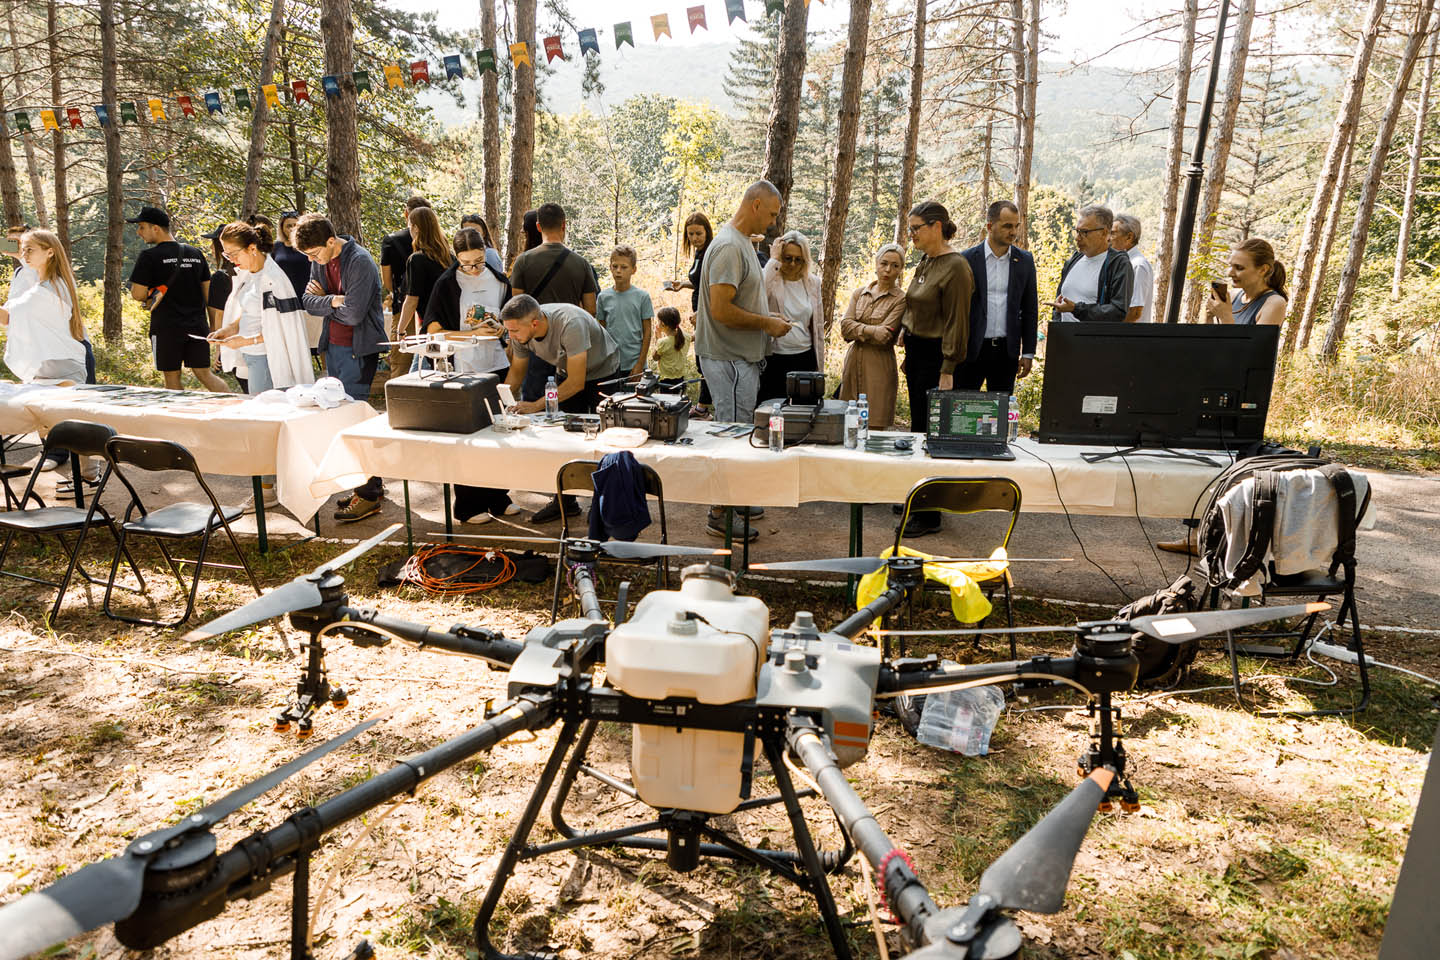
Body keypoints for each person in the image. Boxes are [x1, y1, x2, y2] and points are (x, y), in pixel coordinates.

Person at [695, 180, 791, 540]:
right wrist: (767, 323)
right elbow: (720, 309)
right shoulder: (728, 248)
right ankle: (718, 512)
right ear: (754, 204)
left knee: (739, 431)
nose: (772, 222)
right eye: (771, 213)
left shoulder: (742, 244)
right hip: (727, 358)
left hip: (739, 359)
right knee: (731, 435)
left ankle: (735, 498)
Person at [209, 220, 316, 511]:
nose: (230, 259)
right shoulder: (249, 274)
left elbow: (278, 329)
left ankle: (268, 489)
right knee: (261, 422)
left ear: (252, 248)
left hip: (269, 359)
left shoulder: (272, 278)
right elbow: (245, 313)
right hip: (253, 356)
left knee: (265, 423)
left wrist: (243, 341)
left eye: (233, 253)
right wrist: (228, 331)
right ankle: (271, 484)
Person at [296, 213, 387, 522]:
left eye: (314, 254)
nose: (312, 260)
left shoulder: (359, 261)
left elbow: (354, 315)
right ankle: (365, 484)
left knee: (353, 423)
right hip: (333, 346)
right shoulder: (319, 259)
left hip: (358, 349)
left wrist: (328, 304)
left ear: (331, 242)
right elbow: (307, 300)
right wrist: (335, 300)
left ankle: (368, 496)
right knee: (339, 421)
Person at [422, 227, 516, 525]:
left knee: (500, 431)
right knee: (468, 437)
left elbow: (510, 319)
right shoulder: (447, 283)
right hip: (461, 366)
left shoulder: (499, 280)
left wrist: (502, 329)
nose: (474, 269)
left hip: (497, 364)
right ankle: (467, 503)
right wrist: (469, 333)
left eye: (478, 261)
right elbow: (433, 332)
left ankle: (498, 496)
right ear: (456, 259)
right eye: (466, 264)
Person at [501, 295, 619, 523]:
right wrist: (504, 402)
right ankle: (565, 501)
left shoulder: (570, 323)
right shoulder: (520, 329)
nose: (511, 337)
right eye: (508, 331)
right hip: (566, 371)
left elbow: (577, 383)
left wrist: (535, 406)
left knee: (605, 437)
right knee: (565, 435)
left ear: (534, 323)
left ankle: (604, 503)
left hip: (603, 371)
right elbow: (516, 373)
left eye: (514, 331)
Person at [900, 200, 974, 537]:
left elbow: (958, 322)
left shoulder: (956, 267)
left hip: (937, 357)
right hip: (917, 353)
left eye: (916, 228)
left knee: (933, 434)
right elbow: (915, 304)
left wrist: (948, 368)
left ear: (937, 227)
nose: (911, 234)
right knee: (918, 428)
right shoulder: (927, 261)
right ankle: (919, 497)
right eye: (911, 228)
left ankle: (930, 514)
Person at [126, 205, 231, 392]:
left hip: (166, 328)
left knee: (172, 378)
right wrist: (214, 329)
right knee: (205, 374)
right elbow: (209, 296)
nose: (138, 232)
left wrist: (150, 297)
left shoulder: (149, 257)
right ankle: (234, 408)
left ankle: (178, 418)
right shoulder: (195, 254)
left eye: (142, 227)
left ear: (155, 228)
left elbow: (138, 294)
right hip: (197, 326)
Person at [509, 202, 598, 402]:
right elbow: (591, 310)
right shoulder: (581, 263)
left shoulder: (523, 261)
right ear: (564, 225)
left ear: (538, 226)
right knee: (567, 405)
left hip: (534, 344)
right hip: (570, 348)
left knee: (534, 404)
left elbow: (516, 307)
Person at [957, 200, 1039, 394]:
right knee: (964, 410)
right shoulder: (966, 259)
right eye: (1007, 226)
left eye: (1016, 226)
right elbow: (956, 309)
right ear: (989, 226)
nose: (1013, 231)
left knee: (1001, 414)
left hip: (1006, 352)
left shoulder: (1025, 261)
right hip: (971, 350)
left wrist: (1028, 352)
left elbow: (1030, 309)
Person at [1, 228, 87, 386]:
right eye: (23, 249)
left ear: (50, 252)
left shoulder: (52, 288)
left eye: (29, 250)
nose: (24, 254)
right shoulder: (39, 282)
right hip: (44, 369)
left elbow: (9, 316)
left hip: (64, 371)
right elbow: (8, 315)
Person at [838, 243, 906, 429]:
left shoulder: (901, 299)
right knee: (849, 423)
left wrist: (858, 330)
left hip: (879, 366)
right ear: (876, 263)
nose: (888, 270)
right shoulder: (859, 294)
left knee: (875, 424)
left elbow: (885, 336)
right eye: (884, 263)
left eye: (895, 266)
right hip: (853, 363)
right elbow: (845, 328)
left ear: (901, 269)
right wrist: (873, 330)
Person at [759, 229, 827, 402]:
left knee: (804, 412)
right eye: (788, 258)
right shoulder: (771, 277)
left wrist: (820, 366)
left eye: (798, 259)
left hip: (805, 357)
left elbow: (817, 327)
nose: (792, 264)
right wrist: (774, 260)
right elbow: (757, 294)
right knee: (772, 412)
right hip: (774, 358)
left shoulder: (813, 283)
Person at [1051, 204, 1133, 324]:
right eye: (1077, 231)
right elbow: (1058, 302)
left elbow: (1118, 311)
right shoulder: (1073, 260)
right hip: (1064, 339)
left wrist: (1076, 309)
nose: (1077, 238)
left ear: (1104, 233)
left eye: (1084, 232)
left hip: (1093, 341)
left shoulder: (1119, 264)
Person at [669, 212, 714, 414]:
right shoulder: (698, 253)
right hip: (699, 312)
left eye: (698, 233)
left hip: (707, 314)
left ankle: (704, 407)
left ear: (707, 232)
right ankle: (704, 405)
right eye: (691, 234)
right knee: (700, 358)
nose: (694, 238)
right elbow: (699, 283)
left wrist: (703, 314)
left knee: (704, 358)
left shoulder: (711, 253)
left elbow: (714, 289)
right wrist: (683, 285)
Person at [396, 205, 454, 346]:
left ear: (416, 228)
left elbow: (411, 300)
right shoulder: (451, 258)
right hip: (451, 325)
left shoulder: (417, 259)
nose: (409, 229)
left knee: (422, 367)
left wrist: (400, 330)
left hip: (431, 327)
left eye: (409, 225)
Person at [596, 244, 653, 382]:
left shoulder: (642, 297)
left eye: (624, 267)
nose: (618, 271)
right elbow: (601, 331)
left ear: (634, 270)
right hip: (611, 364)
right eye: (615, 266)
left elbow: (647, 332)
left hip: (634, 363)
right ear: (610, 267)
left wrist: (640, 364)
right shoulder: (603, 297)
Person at [1206, 238, 1287, 326]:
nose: (1229, 273)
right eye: (1230, 266)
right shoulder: (1233, 296)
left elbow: (1258, 340)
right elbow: (1208, 338)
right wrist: (1209, 316)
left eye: (1239, 268)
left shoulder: (1274, 303)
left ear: (1263, 270)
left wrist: (1225, 317)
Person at [203, 224, 245, 392]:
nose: (211, 248)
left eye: (213, 243)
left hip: (232, 340)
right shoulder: (247, 271)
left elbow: (219, 317)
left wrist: (218, 350)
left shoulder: (220, 277)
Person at [380, 196, 429, 322]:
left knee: (402, 341)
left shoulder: (390, 241)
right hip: (431, 309)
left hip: (403, 308)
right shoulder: (438, 243)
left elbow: (387, 281)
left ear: (406, 213)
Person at [1110, 213, 1153, 323]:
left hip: (1128, 337)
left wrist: (1111, 333)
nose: (1108, 239)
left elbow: (1135, 311)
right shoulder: (1123, 263)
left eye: (1113, 233)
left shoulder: (1137, 265)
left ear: (1129, 237)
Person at [652, 306, 690, 391]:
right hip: (681, 379)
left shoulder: (662, 342)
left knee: (667, 403)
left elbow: (655, 357)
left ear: (663, 324)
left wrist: (658, 337)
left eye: (658, 321)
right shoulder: (686, 337)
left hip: (666, 382)